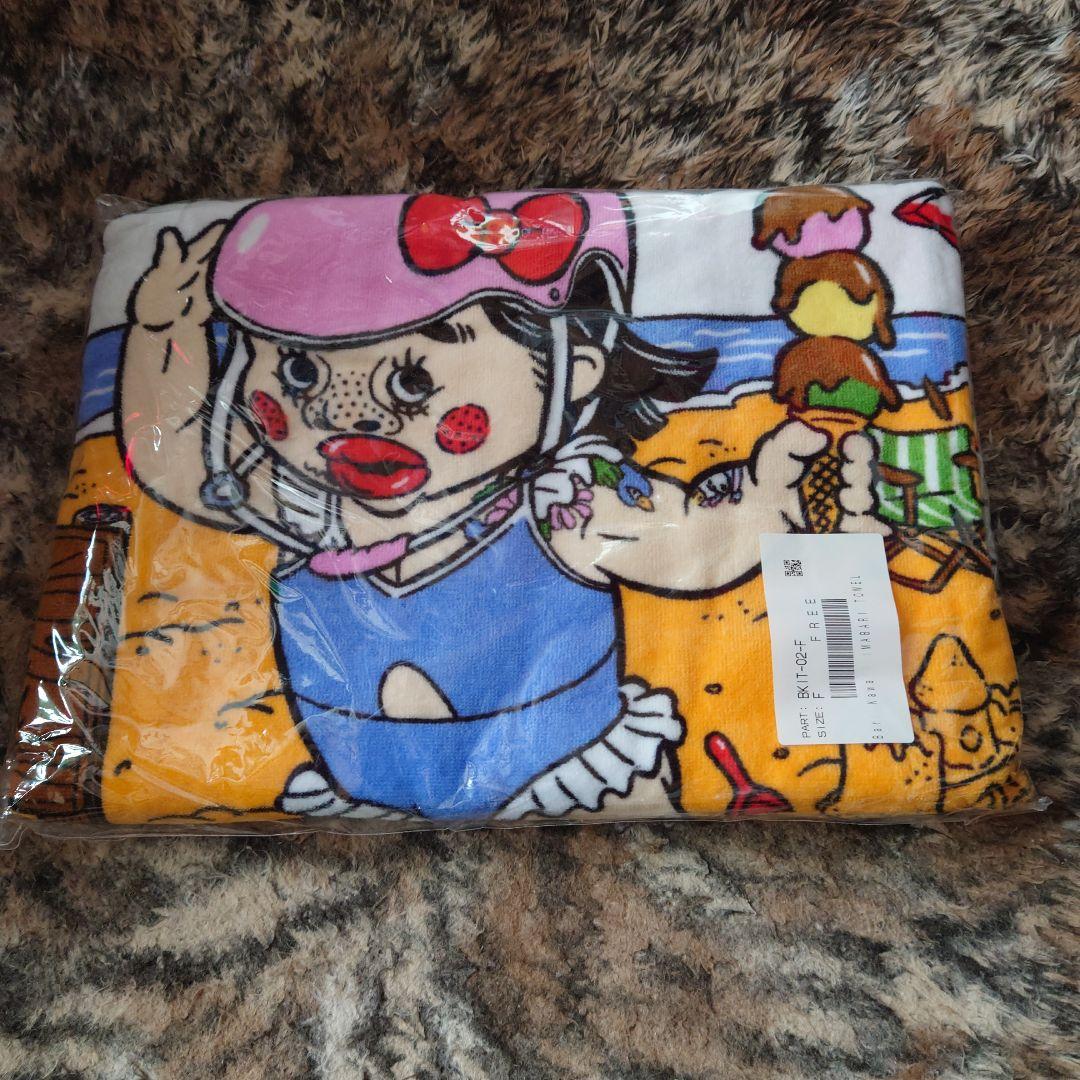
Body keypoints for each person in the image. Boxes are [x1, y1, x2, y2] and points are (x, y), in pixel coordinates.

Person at [118, 192, 885, 823]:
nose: (349, 419)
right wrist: (162, 333)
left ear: (575, 369)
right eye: (297, 375)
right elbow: (176, 458)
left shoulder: (564, 504)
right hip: (360, 813)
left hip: (575, 788)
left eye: (413, 382)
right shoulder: (306, 510)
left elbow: (690, 544)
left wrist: (769, 501)